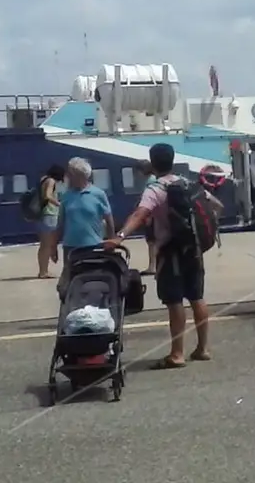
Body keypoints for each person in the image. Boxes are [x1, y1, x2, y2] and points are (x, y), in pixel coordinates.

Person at [105, 143, 223, 369]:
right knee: (197, 297)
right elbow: (217, 206)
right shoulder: (188, 183)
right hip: (194, 250)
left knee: (174, 301)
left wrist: (119, 237)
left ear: (152, 163)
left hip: (170, 252)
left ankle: (177, 354)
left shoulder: (156, 189)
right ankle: (203, 348)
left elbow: (140, 214)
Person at [55, 157, 116, 297]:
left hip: (93, 245)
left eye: (70, 174)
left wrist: (112, 240)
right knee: (71, 282)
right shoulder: (66, 196)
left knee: (93, 280)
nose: (67, 177)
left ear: (81, 176)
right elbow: (61, 222)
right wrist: (53, 247)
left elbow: (109, 218)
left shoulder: (98, 194)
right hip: (71, 247)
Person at [34, 165, 66, 279]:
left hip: (41, 215)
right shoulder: (51, 181)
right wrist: (59, 204)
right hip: (49, 214)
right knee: (47, 245)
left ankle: (42, 270)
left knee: (43, 245)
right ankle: (44, 272)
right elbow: (48, 196)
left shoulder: (43, 179)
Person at [135, 159, 159, 275]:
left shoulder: (150, 181)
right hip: (153, 215)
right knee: (152, 241)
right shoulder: (152, 180)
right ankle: (154, 265)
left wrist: (149, 216)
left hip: (151, 216)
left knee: (151, 242)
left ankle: (152, 266)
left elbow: (151, 200)